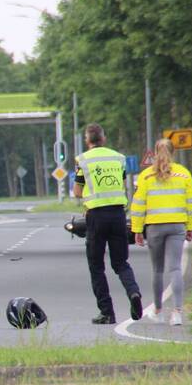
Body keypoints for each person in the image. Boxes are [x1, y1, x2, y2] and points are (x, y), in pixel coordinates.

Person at [73, 124, 143, 324]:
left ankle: (107, 312)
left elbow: (78, 192)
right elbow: (118, 183)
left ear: (88, 140)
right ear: (103, 139)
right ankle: (134, 292)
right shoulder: (118, 158)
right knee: (121, 263)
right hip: (118, 215)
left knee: (96, 266)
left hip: (96, 217)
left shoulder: (83, 160)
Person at [131, 138, 192, 326]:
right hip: (177, 226)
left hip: (154, 228)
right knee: (175, 268)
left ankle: (158, 311)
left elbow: (138, 205)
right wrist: (190, 226)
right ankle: (177, 313)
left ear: (154, 152)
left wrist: (137, 229)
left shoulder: (145, 176)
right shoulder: (184, 174)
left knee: (157, 270)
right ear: (173, 152)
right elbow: (191, 203)